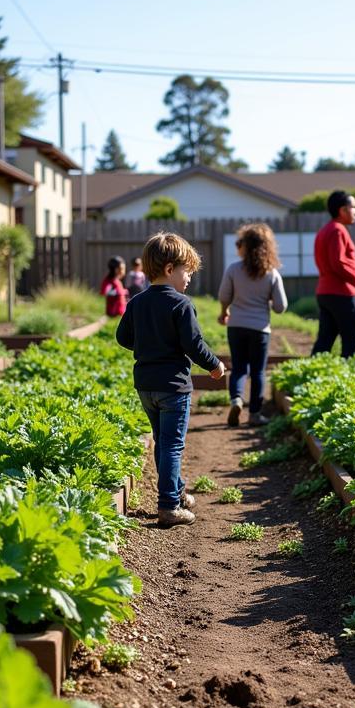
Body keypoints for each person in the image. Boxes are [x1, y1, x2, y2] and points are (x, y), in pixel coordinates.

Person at [116, 232, 225, 527]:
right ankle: (168, 507)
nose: (188, 277)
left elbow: (123, 337)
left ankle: (176, 493)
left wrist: (148, 347)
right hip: (173, 386)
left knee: (162, 442)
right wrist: (214, 365)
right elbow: (194, 344)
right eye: (186, 271)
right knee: (173, 444)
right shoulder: (181, 304)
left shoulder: (137, 303)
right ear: (168, 269)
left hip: (146, 386)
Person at [218, 222, 288, 427]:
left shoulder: (233, 269)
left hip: (236, 326)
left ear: (245, 246)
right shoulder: (271, 273)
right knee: (258, 371)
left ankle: (236, 400)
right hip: (260, 329)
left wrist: (224, 312)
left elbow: (224, 296)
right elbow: (281, 307)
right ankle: (255, 414)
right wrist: (267, 300)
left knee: (239, 368)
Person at [311, 189, 355, 358]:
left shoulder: (325, 230)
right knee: (352, 345)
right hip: (343, 293)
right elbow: (338, 262)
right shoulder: (337, 230)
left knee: (324, 342)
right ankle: (353, 381)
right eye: (353, 207)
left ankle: (309, 377)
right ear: (342, 210)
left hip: (326, 292)